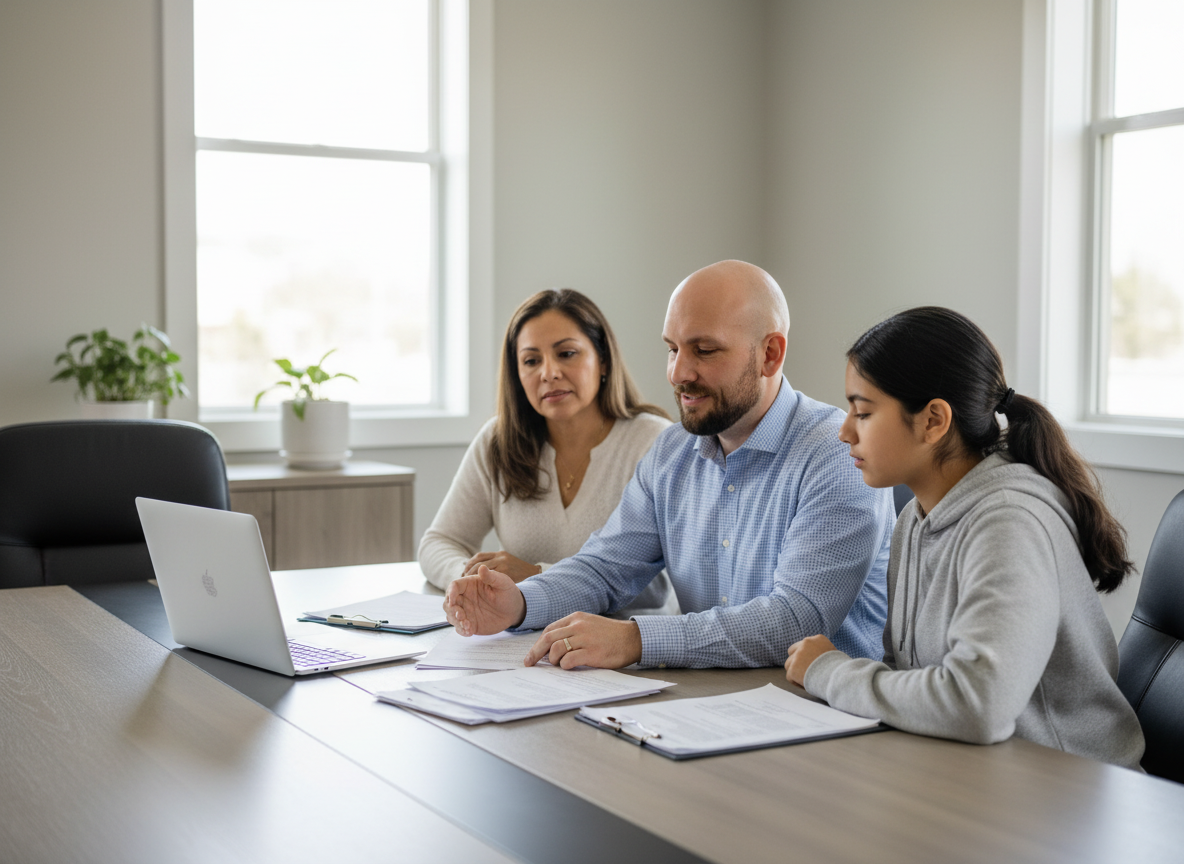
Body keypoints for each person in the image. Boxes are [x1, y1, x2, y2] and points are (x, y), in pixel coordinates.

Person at [444, 260, 895, 669]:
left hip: (823, 717)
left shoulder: (837, 454)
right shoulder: (672, 453)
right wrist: (519, 604)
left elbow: (795, 620)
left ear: (770, 354)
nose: (679, 373)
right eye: (672, 349)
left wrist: (637, 639)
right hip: (707, 704)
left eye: (704, 350)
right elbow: (604, 568)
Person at [784, 306, 1145, 769]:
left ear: (933, 420)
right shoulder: (914, 519)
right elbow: (911, 676)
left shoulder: (1009, 523)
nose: (844, 431)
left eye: (864, 412)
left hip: (1067, 793)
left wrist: (828, 671)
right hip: (976, 775)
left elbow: (980, 705)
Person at [418, 289, 674, 615]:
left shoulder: (654, 441)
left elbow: (658, 586)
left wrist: (537, 577)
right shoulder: (498, 441)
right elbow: (439, 542)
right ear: (517, 375)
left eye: (566, 353)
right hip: (525, 643)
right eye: (531, 360)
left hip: (631, 652)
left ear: (603, 360)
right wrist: (475, 580)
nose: (548, 373)